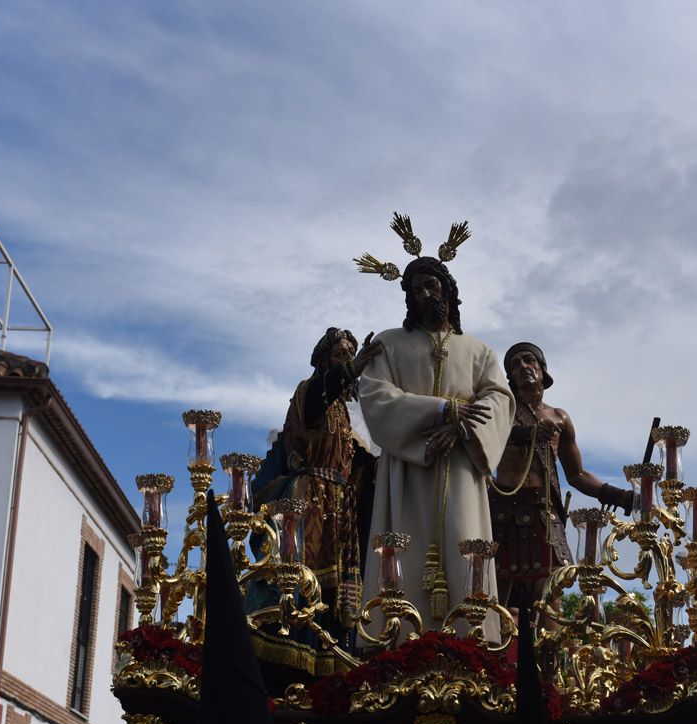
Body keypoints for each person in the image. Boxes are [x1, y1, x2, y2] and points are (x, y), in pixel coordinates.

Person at [359, 257, 514, 630]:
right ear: (410, 299)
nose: (427, 294)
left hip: (461, 466)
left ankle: (471, 642)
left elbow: (500, 399)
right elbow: (377, 396)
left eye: (432, 285)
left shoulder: (479, 351)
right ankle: (399, 641)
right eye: (418, 290)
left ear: (448, 288)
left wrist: (462, 429)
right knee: (402, 557)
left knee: (466, 550)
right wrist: (444, 410)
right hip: (410, 466)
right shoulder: (388, 344)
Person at [247, 327, 381, 676]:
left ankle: (331, 658)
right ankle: (293, 655)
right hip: (309, 500)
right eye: (341, 354)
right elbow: (319, 397)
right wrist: (353, 369)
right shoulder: (310, 392)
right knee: (302, 579)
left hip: (338, 504)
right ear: (323, 360)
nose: (348, 359)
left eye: (351, 353)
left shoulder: (346, 412)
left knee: (336, 593)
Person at [490, 342, 633, 609]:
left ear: (542, 369)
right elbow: (488, 436)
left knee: (550, 596)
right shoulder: (501, 408)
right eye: (515, 364)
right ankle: (491, 650)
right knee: (495, 601)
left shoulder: (560, 417)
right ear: (510, 377)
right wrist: (530, 434)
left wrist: (621, 496)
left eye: (528, 360)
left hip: (545, 514)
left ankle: (550, 651)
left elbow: (577, 474)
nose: (523, 367)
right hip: (503, 511)